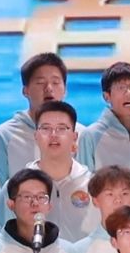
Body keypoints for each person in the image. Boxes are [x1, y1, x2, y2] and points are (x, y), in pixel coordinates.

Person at [0, 52, 67, 184]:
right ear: (25, 91)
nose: (49, 88)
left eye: (55, 82)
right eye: (40, 83)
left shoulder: (78, 134)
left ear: (65, 89)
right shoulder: (4, 136)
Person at [25, 100, 97, 242]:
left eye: (62, 128)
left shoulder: (93, 187)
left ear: (75, 137)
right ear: (36, 136)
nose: (53, 135)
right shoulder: (19, 187)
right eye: (46, 128)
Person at [77, 62, 130, 173]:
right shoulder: (91, 136)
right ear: (106, 96)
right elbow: (83, 180)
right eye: (121, 87)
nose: (129, 93)